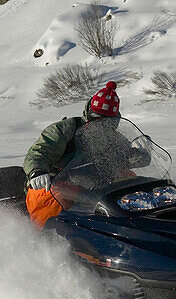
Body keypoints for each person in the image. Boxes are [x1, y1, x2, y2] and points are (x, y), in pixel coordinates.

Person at [23, 81, 120, 227]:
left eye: (106, 122)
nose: (99, 125)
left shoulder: (112, 136)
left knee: (128, 177)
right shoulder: (65, 130)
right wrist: (37, 170)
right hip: (56, 185)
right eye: (96, 119)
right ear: (88, 113)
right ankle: (49, 239)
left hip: (94, 187)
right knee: (56, 195)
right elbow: (40, 151)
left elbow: (131, 156)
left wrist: (140, 152)